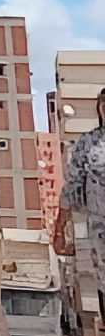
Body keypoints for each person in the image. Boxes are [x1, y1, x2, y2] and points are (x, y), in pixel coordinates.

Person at [57, 87, 105, 320]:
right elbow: (70, 188)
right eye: (103, 102)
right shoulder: (87, 144)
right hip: (101, 228)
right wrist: (59, 229)